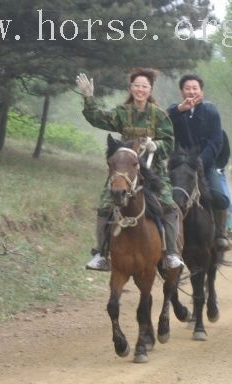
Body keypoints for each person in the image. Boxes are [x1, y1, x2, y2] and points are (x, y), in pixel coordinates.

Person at [76, 68, 185, 271]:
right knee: (105, 205)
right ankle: (101, 253)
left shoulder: (159, 115)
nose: (140, 90)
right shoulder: (122, 113)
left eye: (144, 86)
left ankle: (171, 253)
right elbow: (97, 118)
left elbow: (169, 143)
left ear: (150, 89)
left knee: (169, 206)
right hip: (125, 172)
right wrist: (89, 97)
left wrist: (156, 146)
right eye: (137, 86)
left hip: (153, 172)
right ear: (131, 88)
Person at [167, 74, 232, 251]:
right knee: (162, 196)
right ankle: (163, 235)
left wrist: (201, 161)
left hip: (205, 164)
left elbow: (216, 141)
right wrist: (181, 109)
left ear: (201, 91)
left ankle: (220, 233)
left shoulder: (211, 112)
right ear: (181, 91)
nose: (191, 91)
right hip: (179, 165)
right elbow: (163, 118)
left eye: (195, 88)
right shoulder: (176, 111)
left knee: (220, 197)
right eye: (187, 88)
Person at [217, 130, 232, 237]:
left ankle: (227, 229)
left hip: (217, 171)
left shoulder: (222, 134)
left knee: (227, 200)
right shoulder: (194, 130)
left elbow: (226, 154)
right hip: (195, 169)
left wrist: (219, 167)